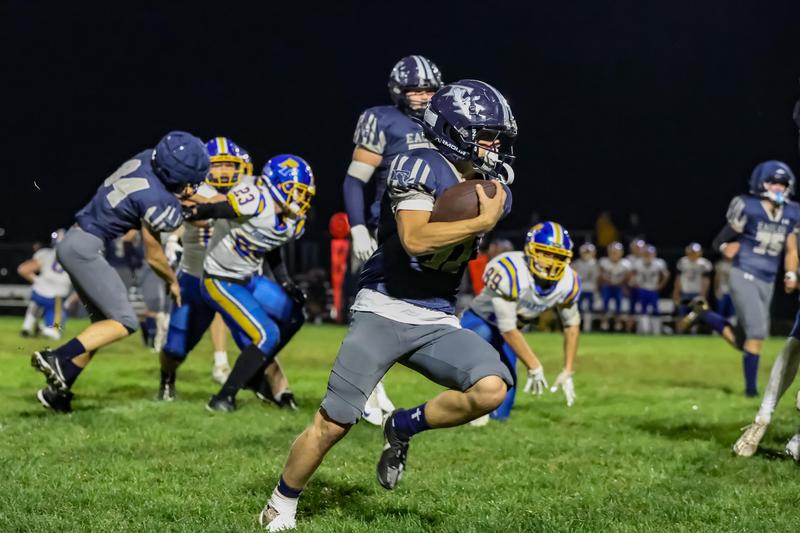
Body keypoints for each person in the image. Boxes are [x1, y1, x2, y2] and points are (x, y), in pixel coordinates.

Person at [258, 80, 517, 531]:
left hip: (436, 316)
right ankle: (282, 502)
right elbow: (415, 240)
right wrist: (481, 218)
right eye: (485, 133)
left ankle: (403, 425)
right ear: (454, 130)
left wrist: (484, 206)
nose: (494, 144)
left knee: (492, 388)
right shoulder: (417, 164)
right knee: (333, 423)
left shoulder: (486, 181)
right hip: (384, 308)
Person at [31, 131, 209, 413]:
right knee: (125, 321)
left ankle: (59, 393)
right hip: (85, 248)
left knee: (103, 325)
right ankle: (57, 357)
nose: (190, 186)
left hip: (76, 242)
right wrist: (173, 281)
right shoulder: (156, 199)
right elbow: (156, 251)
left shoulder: (145, 159)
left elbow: (170, 196)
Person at [343, 55, 444, 425]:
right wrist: (357, 227)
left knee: (425, 311)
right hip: (391, 225)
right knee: (382, 308)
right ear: (398, 91)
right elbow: (356, 178)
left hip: (436, 227)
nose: (422, 97)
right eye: (414, 90)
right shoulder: (382, 119)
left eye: (428, 89)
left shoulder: (445, 120)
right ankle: (367, 386)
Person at [185, 154, 315, 412]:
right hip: (220, 280)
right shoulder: (256, 198)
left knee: (295, 314)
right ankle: (223, 398)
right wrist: (194, 210)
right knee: (268, 334)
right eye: (294, 191)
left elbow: (272, 244)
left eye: (303, 193)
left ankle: (255, 365)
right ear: (274, 184)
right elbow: (220, 209)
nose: (300, 198)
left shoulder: (291, 219)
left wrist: (286, 283)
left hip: (249, 280)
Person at [683, 161, 800, 397]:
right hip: (743, 273)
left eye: (782, 183)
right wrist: (726, 247)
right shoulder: (748, 206)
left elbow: (791, 250)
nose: (778, 188)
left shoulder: (792, 212)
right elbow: (719, 241)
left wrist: (791, 273)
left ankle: (705, 314)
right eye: (773, 183)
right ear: (761, 184)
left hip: (767, 279)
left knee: (744, 340)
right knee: (757, 334)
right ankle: (751, 393)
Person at [462, 221, 580, 425]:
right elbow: (507, 328)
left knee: (503, 405)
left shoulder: (568, 281)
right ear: (530, 250)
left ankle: (489, 414)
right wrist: (534, 366)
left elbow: (571, 324)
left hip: (509, 331)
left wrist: (568, 369)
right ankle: (468, 400)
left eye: (558, 256)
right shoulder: (510, 269)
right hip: (478, 322)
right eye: (545, 253)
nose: (551, 262)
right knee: (484, 339)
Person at [18, 229, 72, 340]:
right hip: (56, 297)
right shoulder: (75, 258)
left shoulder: (45, 254)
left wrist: (37, 280)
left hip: (38, 292)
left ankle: (27, 326)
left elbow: (23, 269)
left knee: (36, 302)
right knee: (57, 330)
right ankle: (44, 329)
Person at [630, 244, 670, 335]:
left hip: (653, 289)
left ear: (654, 254)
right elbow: (632, 274)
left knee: (655, 310)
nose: (648, 255)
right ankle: (644, 330)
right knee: (642, 309)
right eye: (646, 253)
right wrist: (635, 283)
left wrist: (660, 285)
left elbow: (666, 275)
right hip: (642, 289)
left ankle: (656, 331)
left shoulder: (658, 263)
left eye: (649, 254)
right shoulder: (638, 263)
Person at [673, 242, 712, 320]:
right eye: (691, 252)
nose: (693, 254)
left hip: (697, 292)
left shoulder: (704, 263)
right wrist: (676, 292)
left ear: (700, 253)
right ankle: (682, 331)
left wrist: (703, 294)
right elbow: (678, 278)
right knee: (682, 313)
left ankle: (694, 331)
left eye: (695, 252)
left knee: (696, 314)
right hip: (685, 292)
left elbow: (706, 280)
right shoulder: (682, 262)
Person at [598, 242, 631, 331]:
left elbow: (628, 276)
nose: (615, 254)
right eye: (613, 252)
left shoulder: (625, 263)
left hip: (619, 286)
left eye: (616, 252)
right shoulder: (604, 261)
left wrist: (622, 283)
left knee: (619, 305)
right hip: (607, 286)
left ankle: (618, 323)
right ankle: (604, 323)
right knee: (605, 304)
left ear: (621, 252)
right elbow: (600, 275)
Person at [572, 243, 599, 332]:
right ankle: (576, 327)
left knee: (589, 309)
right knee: (577, 309)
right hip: (578, 289)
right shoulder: (576, 263)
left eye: (589, 252)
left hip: (590, 289)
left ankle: (587, 328)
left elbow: (596, 278)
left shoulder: (595, 264)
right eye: (585, 252)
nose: (587, 254)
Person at [714, 255, 735, 322]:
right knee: (720, 310)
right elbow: (717, 278)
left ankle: (731, 329)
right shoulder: (720, 264)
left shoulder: (736, 265)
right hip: (722, 290)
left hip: (733, 291)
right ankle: (718, 328)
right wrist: (716, 290)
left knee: (732, 312)